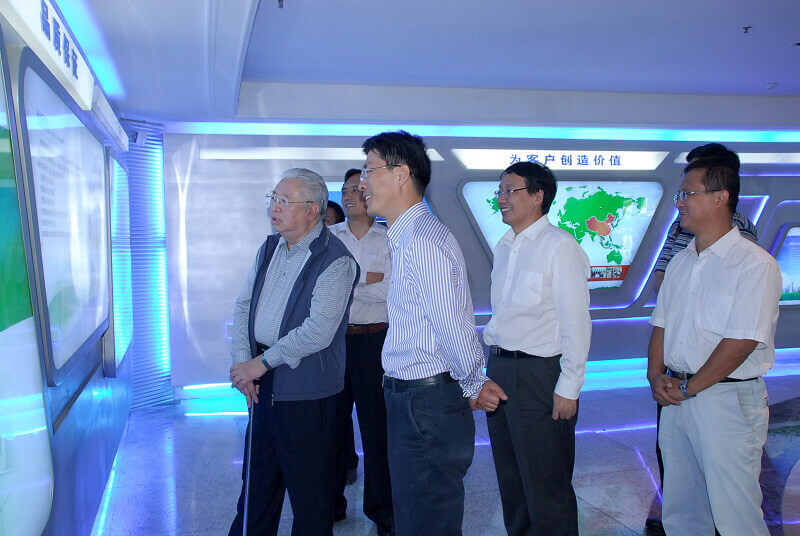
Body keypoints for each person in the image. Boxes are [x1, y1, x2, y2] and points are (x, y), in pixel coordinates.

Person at [357, 130, 506, 536]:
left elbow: (452, 324)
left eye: (369, 171)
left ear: (401, 174)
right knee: (416, 513)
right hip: (414, 398)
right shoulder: (407, 236)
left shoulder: (422, 240)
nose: (363, 183)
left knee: (426, 520)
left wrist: (474, 381)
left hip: (425, 401)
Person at [647, 158, 781, 535]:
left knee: (736, 515)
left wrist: (690, 387)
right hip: (677, 398)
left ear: (721, 197)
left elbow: (741, 342)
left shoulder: (754, 264)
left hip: (727, 399)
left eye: (687, 194)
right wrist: (655, 375)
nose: (679, 203)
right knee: (682, 511)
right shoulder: (681, 262)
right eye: (679, 195)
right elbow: (661, 324)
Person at [227, 168, 359, 536]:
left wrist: (260, 363)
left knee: (310, 498)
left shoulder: (336, 259)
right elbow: (244, 306)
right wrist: (244, 365)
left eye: (285, 201)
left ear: (313, 210)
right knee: (256, 489)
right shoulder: (269, 248)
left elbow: (318, 331)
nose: (274, 207)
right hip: (263, 383)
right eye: (273, 199)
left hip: (308, 394)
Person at [482, 161, 591, 536]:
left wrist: (569, 386)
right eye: (499, 191)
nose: (502, 198)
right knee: (511, 481)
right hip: (500, 370)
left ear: (537, 195)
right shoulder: (504, 246)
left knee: (547, 486)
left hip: (540, 375)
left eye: (510, 190)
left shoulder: (559, 247)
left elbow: (576, 322)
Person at [329, 168, 395, 535]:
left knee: (377, 430)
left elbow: (391, 290)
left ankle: (382, 511)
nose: (349, 194)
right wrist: (366, 280)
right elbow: (322, 290)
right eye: (345, 189)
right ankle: (331, 505)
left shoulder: (389, 238)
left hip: (375, 342)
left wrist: (347, 283)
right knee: (331, 428)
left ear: (370, 194)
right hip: (333, 343)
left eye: (357, 189)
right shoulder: (327, 238)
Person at [652, 143, 757, 292]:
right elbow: (661, 278)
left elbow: (728, 286)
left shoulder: (740, 230)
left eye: (696, 169)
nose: (680, 203)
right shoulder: (679, 225)